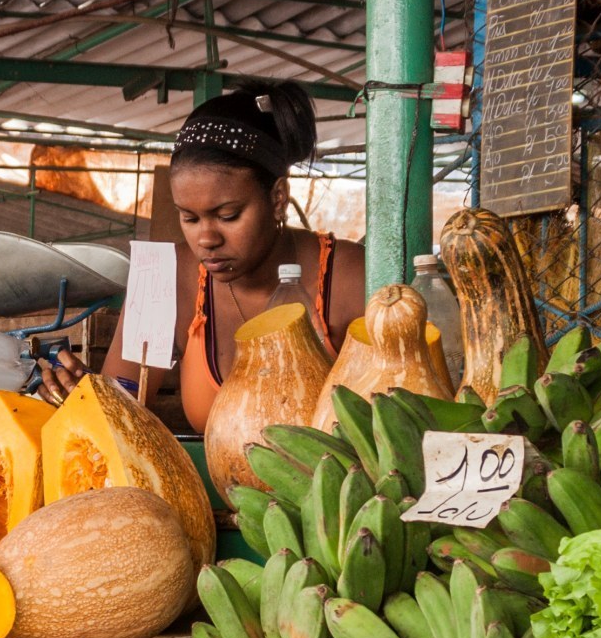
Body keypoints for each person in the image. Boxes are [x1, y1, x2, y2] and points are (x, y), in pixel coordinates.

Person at [44, 82, 366, 431]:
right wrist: (89, 400)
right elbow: (122, 409)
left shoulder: (349, 276)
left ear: (277, 198)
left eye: (228, 216)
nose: (206, 239)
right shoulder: (165, 275)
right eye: (189, 218)